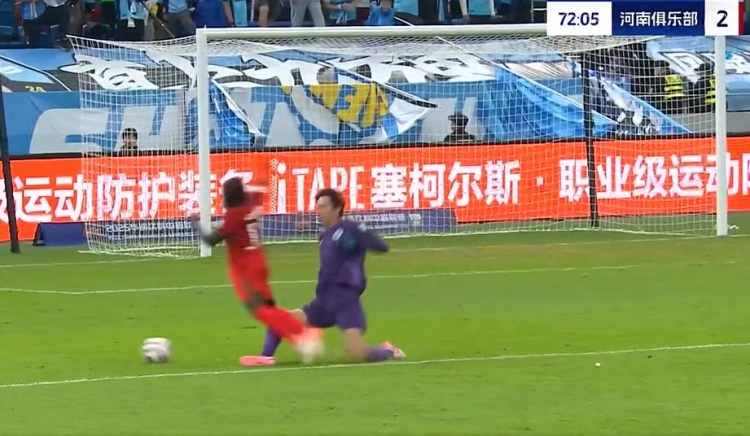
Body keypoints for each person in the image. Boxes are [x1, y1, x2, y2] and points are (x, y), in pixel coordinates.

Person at [242, 188, 405, 366]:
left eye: (323, 206)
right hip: (323, 301)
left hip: (345, 301)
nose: (318, 211)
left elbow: (381, 246)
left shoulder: (350, 228)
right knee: (280, 319)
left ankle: (387, 350)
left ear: (337, 208)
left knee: (355, 353)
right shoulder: (324, 236)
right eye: (317, 207)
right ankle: (266, 356)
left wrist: (358, 239)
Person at [191, 178, 323, 364]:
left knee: (261, 311)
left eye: (223, 195)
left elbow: (211, 240)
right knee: (269, 309)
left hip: (246, 270)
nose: (222, 198)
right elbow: (260, 185)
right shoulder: (250, 206)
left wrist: (194, 222)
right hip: (259, 261)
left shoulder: (234, 216)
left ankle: (303, 336)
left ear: (229, 196)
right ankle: (276, 350)